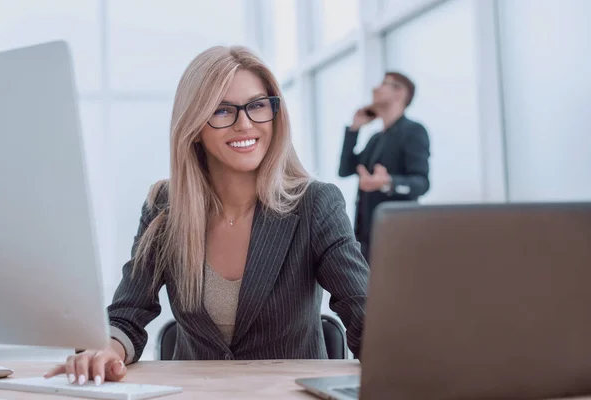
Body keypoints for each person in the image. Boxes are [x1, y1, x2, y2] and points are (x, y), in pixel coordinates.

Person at [44, 46, 369, 386]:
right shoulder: (165, 208)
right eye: (222, 110)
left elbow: (364, 313)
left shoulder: (315, 204)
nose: (245, 124)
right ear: (195, 125)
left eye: (258, 105)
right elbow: (128, 313)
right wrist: (106, 349)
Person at [339, 72, 430, 262]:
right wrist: (354, 129)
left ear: (400, 93)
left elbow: (422, 183)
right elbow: (345, 169)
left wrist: (388, 182)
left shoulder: (413, 131)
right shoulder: (376, 139)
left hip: (398, 236)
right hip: (367, 237)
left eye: (384, 84)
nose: (375, 88)